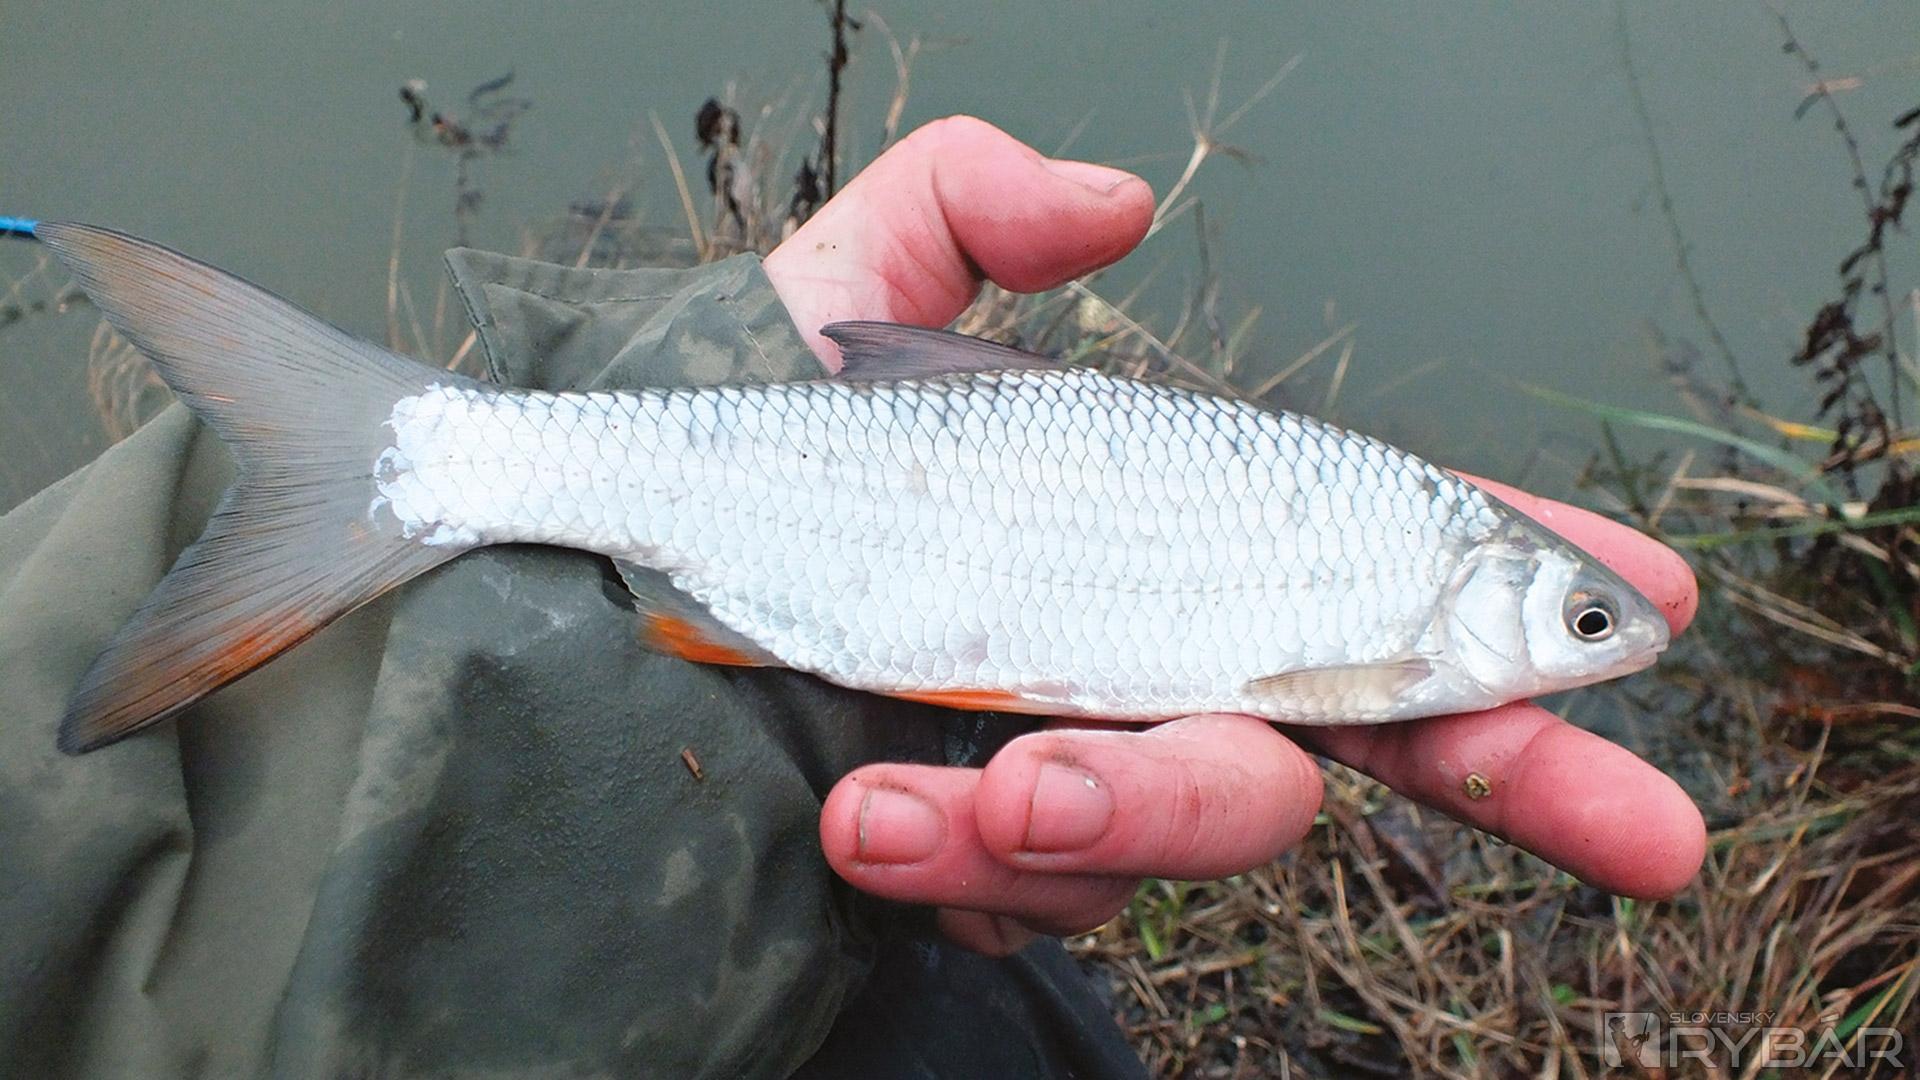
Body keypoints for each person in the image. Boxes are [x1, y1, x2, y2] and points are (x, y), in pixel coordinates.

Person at [0, 117, 1702, 1078]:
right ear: (1478, 589)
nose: (1594, 653)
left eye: (1587, 633)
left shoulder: (1407, 565)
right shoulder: (1398, 611)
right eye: (1581, 628)